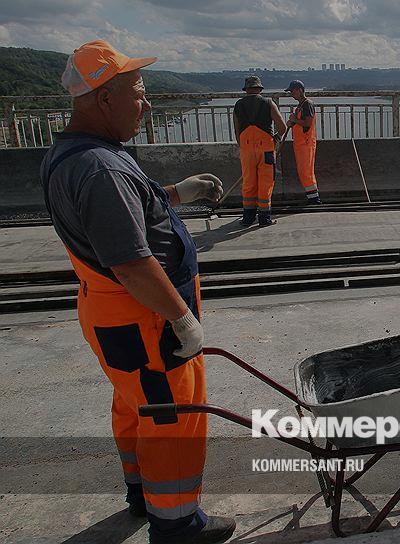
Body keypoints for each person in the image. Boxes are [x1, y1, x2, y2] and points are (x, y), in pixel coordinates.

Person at [42, 39, 235, 543]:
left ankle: (141, 494)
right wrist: (181, 318)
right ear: (104, 98)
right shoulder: (102, 168)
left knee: (136, 405)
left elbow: (132, 208)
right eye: (139, 92)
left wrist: (177, 193)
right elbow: (131, 262)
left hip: (113, 316)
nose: (146, 104)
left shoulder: (77, 153)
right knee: (173, 416)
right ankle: (177, 523)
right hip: (145, 319)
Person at [233, 76, 287, 226]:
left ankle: (248, 218)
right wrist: (275, 138)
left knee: (248, 182)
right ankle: (264, 218)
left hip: (246, 149)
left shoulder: (238, 105)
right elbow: (282, 127)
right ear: (260, 89)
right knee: (266, 182)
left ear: (246, 89)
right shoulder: (268, 103)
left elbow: (237, 132)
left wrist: (244, 146)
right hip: (266, 150)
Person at [285, 80, 321, 204]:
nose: (291, 94)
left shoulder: (307, 104)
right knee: (303, 171)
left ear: (300, 90)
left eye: (292, 91)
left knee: (306, 171)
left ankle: (314, 199)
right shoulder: (300, 106)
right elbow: (300, 122)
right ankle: (312, 198)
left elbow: (307, 123)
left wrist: (295, 120)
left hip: (306, 143)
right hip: (300, 143)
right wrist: (292, 122)